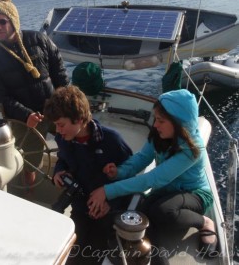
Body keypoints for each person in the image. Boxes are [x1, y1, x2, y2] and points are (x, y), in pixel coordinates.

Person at [88, 89, 218, 263]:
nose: (155, 125)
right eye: (155, 119)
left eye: (161, 121)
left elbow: (153, 179)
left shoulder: (192, 149)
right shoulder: (159, 135)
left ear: (179, 123)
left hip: (194, 193)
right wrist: (119, 172)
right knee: (143, 218)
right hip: (165, 191)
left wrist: (107, 191)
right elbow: (142, 159)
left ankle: (204, 222)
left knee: (162, 211)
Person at [0, 0, 69, 184]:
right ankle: (29, 193)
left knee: (73, 145)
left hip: (55, 109)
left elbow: (59, 72)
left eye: (2, 22)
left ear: (13, 21)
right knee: (31, 162)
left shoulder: (39, 39)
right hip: (26, 120)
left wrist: (63, 103)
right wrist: (25, 115)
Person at [43, 85, 133, 264]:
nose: (58, 131)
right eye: (56, 126)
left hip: (108, 213)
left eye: (61, 125)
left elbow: (131, 177)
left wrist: (110, 203)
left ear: (78, 119)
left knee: (96, 256)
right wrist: (58, 171)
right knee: (69, 256)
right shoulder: (64, 139)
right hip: (81, 211)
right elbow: (62, 159)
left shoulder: (112, 141)